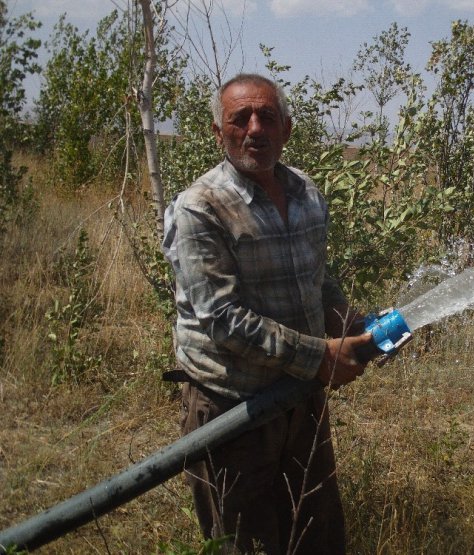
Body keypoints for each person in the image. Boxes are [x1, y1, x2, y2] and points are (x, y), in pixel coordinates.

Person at [161, 73, 373, 554]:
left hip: (300, 397)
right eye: (240, 119)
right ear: (219, 133)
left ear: (287, 129)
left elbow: (316, 277)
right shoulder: (201, 207)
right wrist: (320, 356)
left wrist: (350, 323)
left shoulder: (305, 191)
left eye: (267, 117)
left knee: (313, 534)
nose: (255, 129)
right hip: (232, 406)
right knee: (246, 542)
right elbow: (222, 319)